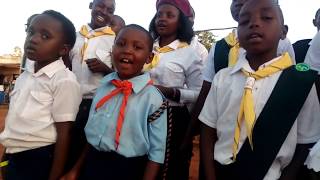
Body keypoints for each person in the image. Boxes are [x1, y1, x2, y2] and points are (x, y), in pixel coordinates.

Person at [199, 0, 320, 179]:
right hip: (221, 172)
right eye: (244, 21)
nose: (254, 23)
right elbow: (207, 130)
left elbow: (304, 143)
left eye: (266, 18)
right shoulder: (222, 78)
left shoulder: (300, 83)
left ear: (283, 31)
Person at [61, 24, 167, 180]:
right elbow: (93, 135)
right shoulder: (103, 86)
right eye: (121, 44)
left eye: (137, 47)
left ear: (149, 58)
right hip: (93, 164)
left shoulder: (154, 99)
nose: (127, 50)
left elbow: (157, 152)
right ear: (112, 50)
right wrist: (75, 170)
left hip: (129, 169)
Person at [0, 10, 82, 180]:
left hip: (39, 157)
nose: (33, 39)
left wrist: (54, 176)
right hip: (14, 155)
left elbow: (64, 134)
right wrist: (5, 156)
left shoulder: (64, 81)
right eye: (31, 31)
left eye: (45, 36)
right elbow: (14, 119)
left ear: (63, 49)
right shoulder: (25, 75)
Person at [147, 0, 203, 179]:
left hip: (171, 117)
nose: (162, 19)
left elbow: (199, 92)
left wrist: (173, 92)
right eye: (159, 15)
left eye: (170, 15)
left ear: (180, 22)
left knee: (168, 167)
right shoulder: (146, 45)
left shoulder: (189, 54)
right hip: (139, 112)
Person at [67, 0, 116, 170]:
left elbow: (121, 76)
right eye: (100, 6)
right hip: (69, 100)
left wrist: (105, 68)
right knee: (67, 144)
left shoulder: (114, 40)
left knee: (87, 149)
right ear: (91, 6)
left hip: (95, 104)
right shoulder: (75, 36)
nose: (104, 11)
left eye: (110, 10)